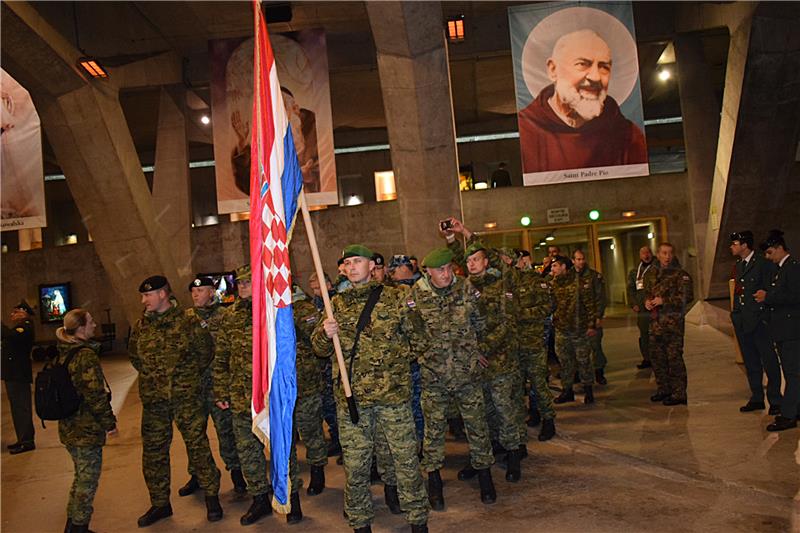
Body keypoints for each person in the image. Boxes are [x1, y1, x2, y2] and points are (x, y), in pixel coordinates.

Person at [311, 245, 429, 533]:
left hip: (392, 399)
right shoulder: (334, 304)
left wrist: (394, 364)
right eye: (347, 263)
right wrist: (325, 335)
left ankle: (417, 520)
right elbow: (318, 348)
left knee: (405, 461)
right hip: (353, 403)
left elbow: (421, 339)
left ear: (372, 266)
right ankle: (360, 523)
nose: (351, 268)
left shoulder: (396, 297)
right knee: (356, 467)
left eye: (357, 262)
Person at [406, 245, 497, 508]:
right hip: (433, 379)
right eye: (439, 270)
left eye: (447, 268)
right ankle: (434, 481)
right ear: (428, 272)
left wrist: (480, 351)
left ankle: (485, 477)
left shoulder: (467, 290)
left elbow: (484, 324)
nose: (445, 274)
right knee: (433, 433)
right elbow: (411, 332)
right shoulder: (416, 297)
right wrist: (423, 355)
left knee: (477, 427)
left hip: (467, 375)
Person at [128, 275, 222, 527]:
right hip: (154, 402)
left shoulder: (189, 321)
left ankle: (212, 497)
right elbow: (135, 357)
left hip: (186, 398)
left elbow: (206, 353)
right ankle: (160, 504)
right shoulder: (141, 326)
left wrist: (185, 378)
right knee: (154, 453)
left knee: (197, 446)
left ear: (162, 294)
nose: (143, 300)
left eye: (147, 295)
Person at [215, 265, 303, 524]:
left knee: (282, 448)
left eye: (247, 282)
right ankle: (260, 499)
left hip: (271, 396)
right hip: (241, 397)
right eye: (239, 283)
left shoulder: (275, 311)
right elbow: (221, 356)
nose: (242, 287)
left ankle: (291, 498)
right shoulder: (229, 317)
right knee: (248, 452)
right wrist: (221, 389)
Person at [448, 236, 524, 482]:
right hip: (473, 364)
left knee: (504, 410)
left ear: (486, 261)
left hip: (498, 360)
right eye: (468, 260)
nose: (471, 264)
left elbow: (507, 324)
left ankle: (514, 455)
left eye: (476, 259)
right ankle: (483, 457)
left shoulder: (500, 284)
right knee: (480, 415)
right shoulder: (462, 288)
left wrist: (484, 350)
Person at [518, 29, 647, 174]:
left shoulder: (628, 135)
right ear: (553, 70)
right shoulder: (526, 129)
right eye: (582, 64)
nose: (596, 77)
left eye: (604, 67)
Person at [179, 277, 245, 497]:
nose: (196, 295)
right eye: (193, 291)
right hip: (193, 387)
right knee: (194, 434)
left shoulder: (225, 316)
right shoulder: (185, 319)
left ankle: (237, 475)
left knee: (226, 432)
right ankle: (197, 475)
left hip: (219, 386)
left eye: (201, 290)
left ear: (212, 292)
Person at [55, 309, 117, 533]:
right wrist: (109, 423)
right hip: (85, 429)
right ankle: (79, 527)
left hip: (69, 426)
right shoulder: (84, 355)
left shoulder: (63, 351)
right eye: (90, 321)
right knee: (87, 481)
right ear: (80, 327)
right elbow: (95, 395)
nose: (95, 324)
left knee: (80, 477)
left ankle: (72, 525)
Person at [729, 231, 782, 415]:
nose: (732, 247)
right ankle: (757, 396)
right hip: (743, 320)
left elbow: (771, 291)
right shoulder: (739, 265)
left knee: (769, 361)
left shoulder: (762, 264)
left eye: (735, 243)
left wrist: (766, 316)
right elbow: (738, 292)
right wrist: (735, 315)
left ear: (744, 245)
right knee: (751, 361)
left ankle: (775, 399)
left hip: (760, 321)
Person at [754, 230, 799, 431]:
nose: (768, 257)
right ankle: (794, 409)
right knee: (791, 373)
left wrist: (768, 297)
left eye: (771, 252)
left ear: (781, 249)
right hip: (782, 329)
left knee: (793, 373)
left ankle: (789, 414)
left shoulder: (793, 268)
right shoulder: (781, 269)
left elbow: (795, 297)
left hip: (791, 330)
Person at [643, 243, 693, 406]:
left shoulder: (680, 274)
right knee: (658, 359)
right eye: (664, 253)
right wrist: (647, 302)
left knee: (674, 359)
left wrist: (664, 300)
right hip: (655, 324)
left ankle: (679, 393)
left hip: (673, 325)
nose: (667, 256)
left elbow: (687, 296)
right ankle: (663, 389)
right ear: (658, 254)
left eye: (670, 253)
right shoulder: (651, 273)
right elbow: (646, 293)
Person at [291, 284, 328, 496]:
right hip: (278, 385)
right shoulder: (265, 310)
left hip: (304, 382)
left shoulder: (303, 309)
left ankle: (317, 468)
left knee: (311, 430)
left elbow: (318, 341)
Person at [550, 255, 598, 404]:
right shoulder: (553, 284)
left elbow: (590, 304)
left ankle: (588, 390)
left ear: (564, 266)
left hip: (579, 329)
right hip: (561, 329)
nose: (553, 269)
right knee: (565, 362)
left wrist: (591, 325)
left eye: (555, 266)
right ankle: (567, 391)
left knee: (583, 361)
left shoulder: (579, 282)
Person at [308, 272, 342, 460]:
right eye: (312, 289)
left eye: (318, 287)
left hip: (335, 365)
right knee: (328, 407)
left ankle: (343, 444)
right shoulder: (315, 305)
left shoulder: (336, 302)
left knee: (338, 407)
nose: (315, 292)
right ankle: (335, 439)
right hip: (322, 367)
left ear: (327, 284)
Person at [2, 300, 36, 454]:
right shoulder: (18, 328)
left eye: (15, 312)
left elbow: (10, 336)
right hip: (13, 374)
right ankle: (22, 438)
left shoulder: (25, 327)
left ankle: (27, 441)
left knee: (22, 408)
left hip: (18, 375)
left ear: (24, 313)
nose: (12, 315)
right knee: (16, 409)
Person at [572, 250, 608, 385]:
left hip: (591, 318)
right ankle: (578, 373)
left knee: (595, 347)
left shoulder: (594, 277)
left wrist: (598, 316)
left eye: (582, 259)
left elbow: (600, 298)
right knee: (577, 349)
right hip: (576, 320)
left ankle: (599, 372)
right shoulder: (569, 277)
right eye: (578, 259)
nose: (580, 262)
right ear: (573, 261)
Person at [626, 246, 654, 369]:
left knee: (656, 333)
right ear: (640, 256)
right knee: (644, 334)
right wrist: (634, 303)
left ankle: (658, 358)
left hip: (655, 308)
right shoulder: (634, 272)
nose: (646, 255)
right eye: (643, 253)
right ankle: (647, 358)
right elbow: (631, 289)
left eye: (648, 253)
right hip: (642, 310)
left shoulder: (656, 268)